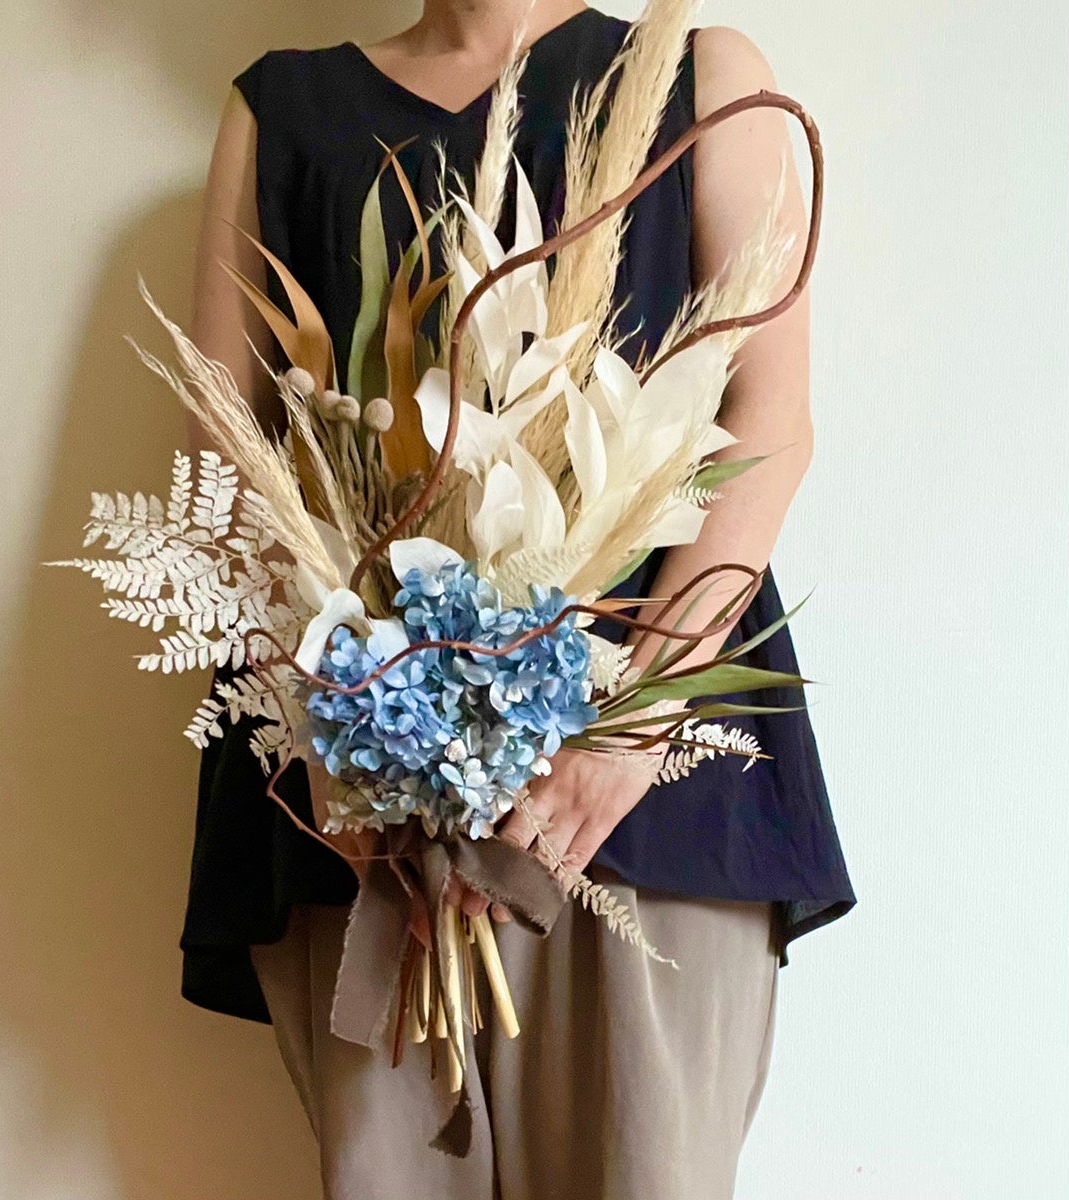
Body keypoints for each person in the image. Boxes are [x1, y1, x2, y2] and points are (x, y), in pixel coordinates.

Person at [184, 2, 857, 1197]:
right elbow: (223, 457)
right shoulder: (279, 109)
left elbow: (767, 422)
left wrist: (637, 723)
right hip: (362, 810)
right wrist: (328, 737)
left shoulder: (697, 77)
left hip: (643, 810)